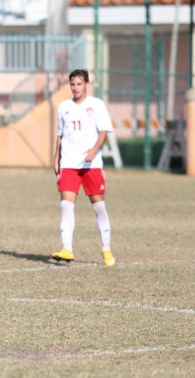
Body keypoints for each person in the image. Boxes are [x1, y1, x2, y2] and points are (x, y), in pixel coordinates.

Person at [51, 69, 116, 267]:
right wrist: (56, 158)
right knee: (66, 205)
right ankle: (67, 249)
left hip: (91, 165)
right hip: (69, 164)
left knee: (99, 207)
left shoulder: (96, 105)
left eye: (79, 84)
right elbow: (60, 135)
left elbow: (104, 131)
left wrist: (94, 150)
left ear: (86, 84)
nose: (75, 88)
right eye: (72, 84)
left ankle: (106, 249)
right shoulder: (63, 107)